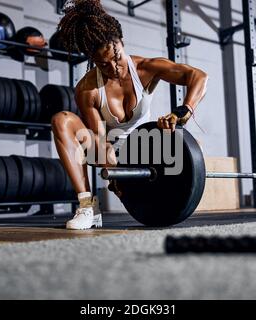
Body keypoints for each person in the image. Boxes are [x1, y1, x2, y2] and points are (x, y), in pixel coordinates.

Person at [51, 0, 209, 230]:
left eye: (116, 58)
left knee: (195, 147)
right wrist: (115, 173)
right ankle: (87, 207)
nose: (114, 68)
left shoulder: (146, 68)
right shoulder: (87, 89)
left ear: (121, 42)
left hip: (146, 149)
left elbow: (199, 77)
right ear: (93, 61)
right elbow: (100, 139)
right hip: (109, 151)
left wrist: (183, 111)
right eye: (104, 65)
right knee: (61, 120)